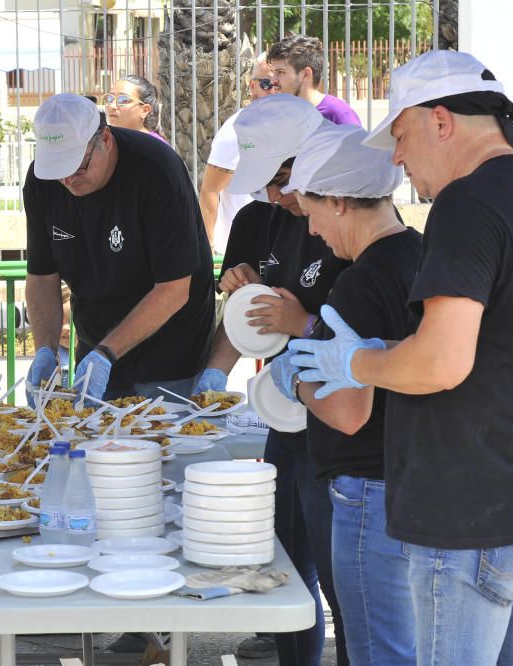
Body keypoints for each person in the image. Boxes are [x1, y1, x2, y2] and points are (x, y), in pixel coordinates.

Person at [290, 50, 513, 664]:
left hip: (470, 511)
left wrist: (358, 363)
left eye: (400, 135)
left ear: (440, 120)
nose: (397, 158)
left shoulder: (468, 203)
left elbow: (441, 362)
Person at [197, 94, 349, 665]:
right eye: (265, 183)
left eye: (283, 181)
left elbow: (377, 335)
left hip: (345, 429)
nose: (276, 196)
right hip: (285, 419)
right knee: (285, 569)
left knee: (345, 586)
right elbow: (245, 322)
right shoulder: (262, 218)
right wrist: (215, 369)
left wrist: (303, 323)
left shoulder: (349, 220)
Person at [270, 122, 419, 664]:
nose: (312, 233)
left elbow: (349, 410)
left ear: (337, 201)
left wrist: (293, 379)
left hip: (366, 490)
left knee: (376, 650)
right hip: (414, 476)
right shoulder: (422, 254)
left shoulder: (358, 282)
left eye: (310, 214)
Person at [22, 93, 214, 403]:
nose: (69, 179)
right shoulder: (42, 181)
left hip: (171, 353)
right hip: (96, 344)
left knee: (163, 445)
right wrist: (46, 349)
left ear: (106, 139)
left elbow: (175, 288)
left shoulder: (157, 171)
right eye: (59, 170)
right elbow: (42, 277)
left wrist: (106, 353)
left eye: (79, 167)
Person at [199, 54, 275, 253]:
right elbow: (210, 191)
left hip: (277, 244)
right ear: (252, 87)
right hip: (242, 247)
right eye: (266, 83)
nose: (274, 89)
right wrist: (209, 248)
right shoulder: (236, 131)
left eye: (279, 82)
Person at [268, 35, 361, 126]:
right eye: (273, 72)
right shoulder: (281, 117)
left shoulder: (339, 116)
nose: (272, 81)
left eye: (280, 72)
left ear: (305, 74)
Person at [105, 75, 167, 144]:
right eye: (109, 98)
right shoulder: (109, 142)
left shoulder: (153, 146)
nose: (112, 106)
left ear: (145, 110)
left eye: (123, 100)